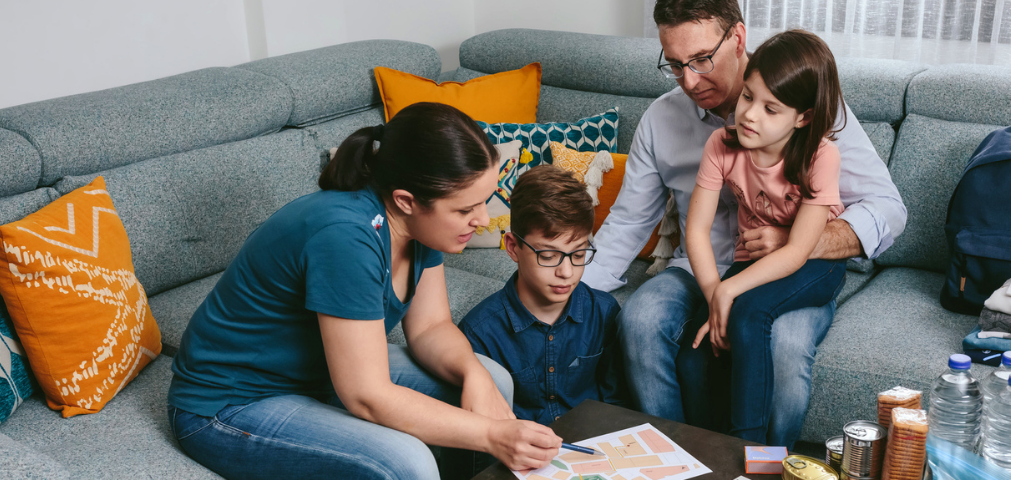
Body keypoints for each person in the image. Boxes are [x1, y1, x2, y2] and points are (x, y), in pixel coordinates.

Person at [167, 102, 561, 479]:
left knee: (493, 378)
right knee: (407, 462)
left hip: (319, 371)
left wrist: (473, 373)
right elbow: (366, 394)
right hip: (229, 404)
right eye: (463, 210)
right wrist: (491, 434)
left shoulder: (422, 229)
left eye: (484, 202)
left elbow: (431, 328)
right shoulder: (346, 237)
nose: (482, 220)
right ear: (406, 201)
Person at [581, 0, 907, 448]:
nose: (690, 81)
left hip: (789, 270)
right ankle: (683, 461)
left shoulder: (806, 104)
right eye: (675, 65)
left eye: (700, 60)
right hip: (700, 268)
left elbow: (888, 209)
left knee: (783, 347)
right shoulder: (663, 120)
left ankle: (765, 467)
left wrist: (797, 240)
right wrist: (564, 289)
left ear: (737, 38)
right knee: (640, 320)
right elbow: (628, 223)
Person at [687, 30, 848, 443]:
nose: (750, 115)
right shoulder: (721, 145)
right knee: (702, 344)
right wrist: (713, 295)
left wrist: (731, 293)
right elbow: (697, 230)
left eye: (770, 108)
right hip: (753, 260)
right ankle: (711, 453)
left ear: (803, 117)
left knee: (750, 312)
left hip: (814, 264)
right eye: (747, 97)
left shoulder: (820, 156)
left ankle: (751, 454)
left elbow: (797, 251)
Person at [459, 165, 630, 426]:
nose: (566, 272)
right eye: (548, 256)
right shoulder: (479, 333)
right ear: (513, 248)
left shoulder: (604, 312)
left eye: (578, 255)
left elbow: (616, 403)